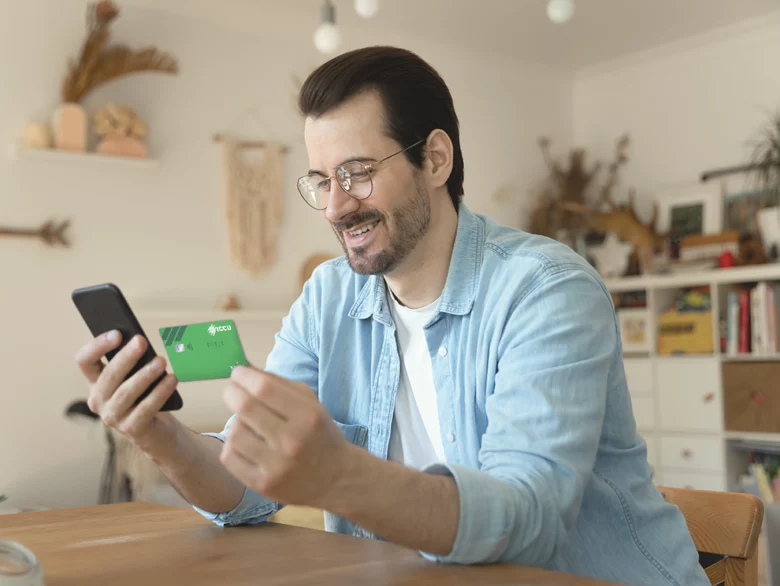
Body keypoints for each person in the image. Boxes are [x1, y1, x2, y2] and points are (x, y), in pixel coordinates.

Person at [75, 46, 710, 585]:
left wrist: (340, 475)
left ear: (435, 159)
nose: (335, 207)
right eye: (321, 180)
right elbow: (246, 485)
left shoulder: (546, 289)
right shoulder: (328, 298)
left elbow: (528, 521)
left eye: (356, 173)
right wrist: (158, 435)